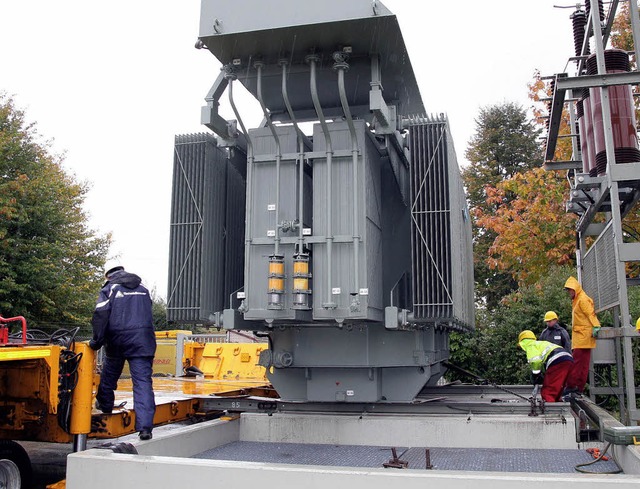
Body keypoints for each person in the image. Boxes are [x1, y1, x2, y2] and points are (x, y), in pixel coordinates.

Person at [89, 265, 156, 440]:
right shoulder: (143, 290)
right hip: (143, 341)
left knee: (109, 376)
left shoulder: (110, 289)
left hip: (117, 340)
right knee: (142, 383)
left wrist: (96, 341)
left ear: (110, 277)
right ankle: (145, 429)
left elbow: (101, 315)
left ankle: (105, 407)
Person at [563, 276, 600, 396]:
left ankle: (572, 387)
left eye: (569, 290)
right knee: (582, 364)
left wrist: (596, 326)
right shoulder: (577, 300)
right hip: (582, 336)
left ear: (575, 289)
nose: (569, 293)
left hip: (583, 336)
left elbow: (591, 314)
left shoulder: (582, 299)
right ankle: (577, 388)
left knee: (577, 363)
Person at [517, 330, 574, 402]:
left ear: (522, 343)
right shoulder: (541, 343)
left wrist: (536, 374)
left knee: (548, 391)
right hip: (568, 359)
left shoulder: (530, 345)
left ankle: (550, 409)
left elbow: (536, 361)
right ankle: (557, 405)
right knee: (558, 387)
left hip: (557, 361)